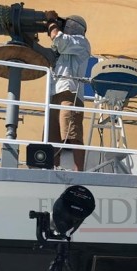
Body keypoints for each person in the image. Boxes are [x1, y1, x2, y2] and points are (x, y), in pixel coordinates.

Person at [44, 12, 91, 171]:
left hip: (70, 93)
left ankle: (79, 171)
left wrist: (51, 21)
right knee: (52, 138)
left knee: (72, 134)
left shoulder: (81, 42)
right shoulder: (64, 46)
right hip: (54, 95)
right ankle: (53, 169)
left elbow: (59, 39)